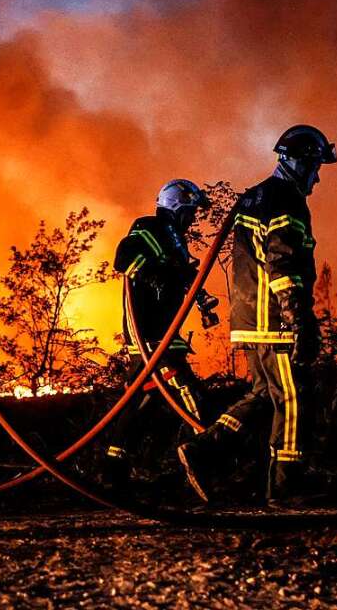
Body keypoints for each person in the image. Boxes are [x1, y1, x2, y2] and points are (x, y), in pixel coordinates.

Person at [177, 125, 337, 506]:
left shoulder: (257, 197)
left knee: (265, 393)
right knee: (292, 398)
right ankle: (285, 486)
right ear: (299, 162)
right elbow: (282, 264)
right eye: (315, 166)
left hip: (250, 319)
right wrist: (299, 319)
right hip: (273, 322)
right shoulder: (286, 200)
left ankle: (203, 450)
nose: (316, 176)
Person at [103, 179, 218, 493]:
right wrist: (150, 275)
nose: (194, 217)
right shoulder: (148, 227)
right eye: (191, 210)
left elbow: (183, 274)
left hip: (166, 333)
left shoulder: (174, 240)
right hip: (150, 335)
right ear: (176, 206)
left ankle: (114, 472)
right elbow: (123, 255)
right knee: (190, 396)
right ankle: (208, 462)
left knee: (144, 402)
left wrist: (202, 299)